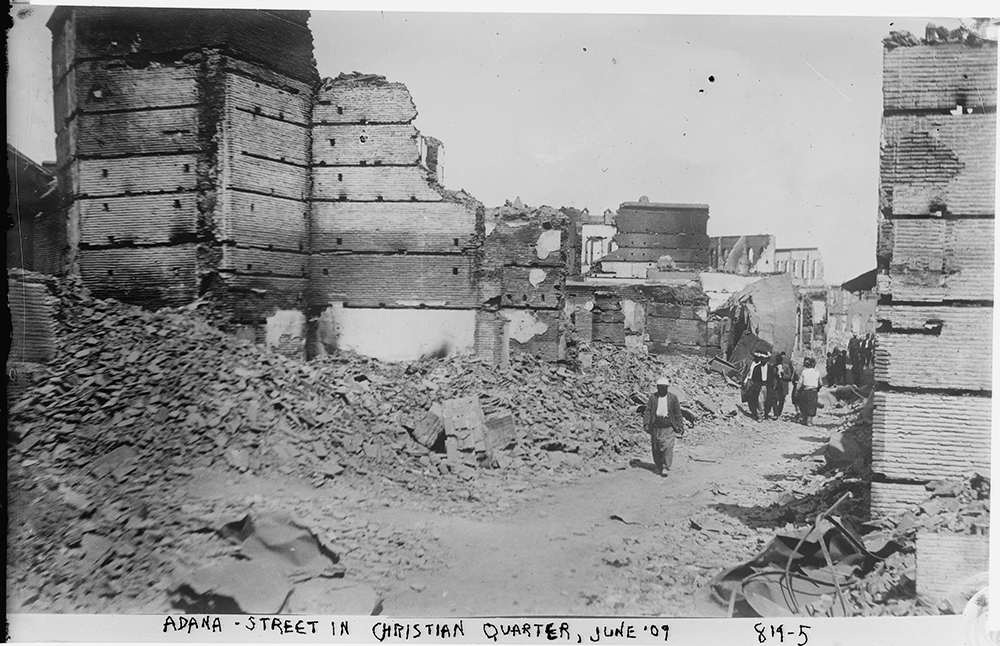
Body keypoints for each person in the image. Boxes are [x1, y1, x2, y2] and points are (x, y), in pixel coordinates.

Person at [644, 377, 684, 477]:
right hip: (657, 425)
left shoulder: (673, 398)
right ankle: (659, 466)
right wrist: (646, 423)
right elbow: (648, 411)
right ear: (657, 387)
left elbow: (677, 413)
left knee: (667, 447)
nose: (662, 389)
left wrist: (680, 425)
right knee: (656, 447)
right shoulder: (653, 397)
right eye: (660, 387)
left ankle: (666, 466)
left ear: (667, 388)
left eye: (664, 387)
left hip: (668, 426)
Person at [743, 350, 769, 421]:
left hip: (762, 384)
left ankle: (760, 413)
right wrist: (745, 381)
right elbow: (747, 372)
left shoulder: (765, 366)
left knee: (761, 400)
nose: (757, 358)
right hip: (751, 382)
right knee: (750, 397)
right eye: (756, 357)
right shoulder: (752, 364)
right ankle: (755, 412)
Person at [765, 351, 791, 419]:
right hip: (775, 385)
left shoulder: (786, 367)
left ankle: (779, 413)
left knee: (781, 400)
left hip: (783, 386)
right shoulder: (773, 366)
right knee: (774, 399)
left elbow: (789, 377)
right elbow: (770, 376)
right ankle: (776, 413)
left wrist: (783, 374)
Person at [796, 356, 821, 426]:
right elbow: (820, 383)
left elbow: (800, 383)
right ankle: (809, 421)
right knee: (812, 406)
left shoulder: (804, 372)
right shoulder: (817, 372)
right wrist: (817, 389)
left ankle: (804, 420)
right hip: (813, 391)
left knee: (804, 405)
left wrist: (797, 390)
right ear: (814, 364)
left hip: (805, 390)